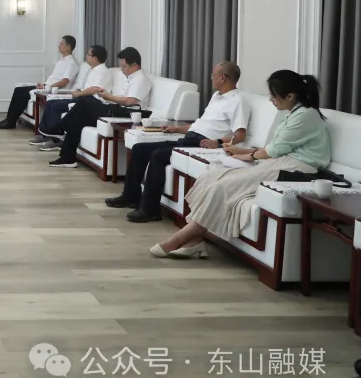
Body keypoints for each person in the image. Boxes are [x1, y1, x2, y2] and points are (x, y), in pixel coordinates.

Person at [152, 70, 331, 260]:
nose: (270, 100)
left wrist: (249, 154)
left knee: (224, 186)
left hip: (296, 169)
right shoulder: (293, 114)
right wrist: (242, 152)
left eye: (273, 95)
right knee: (211, 177)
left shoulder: (305, 116)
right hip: (279, 162)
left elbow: (273, 150)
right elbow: (275, 149)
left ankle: (179, 239)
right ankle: (195, 241)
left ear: (290, 96)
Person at [106, 61, 249, 223]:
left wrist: (217, 142)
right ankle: (130, 197)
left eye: (213, 75)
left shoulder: (238, 101)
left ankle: (150, 210)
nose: (211, 78)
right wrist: (176, 129)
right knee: (139, 148)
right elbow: (200, 125)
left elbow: (240, 135)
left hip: (203, 144)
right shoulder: (217, 96)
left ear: (222, 77)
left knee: (158, 155)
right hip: (189, 139)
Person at [47, 46, 152, 168]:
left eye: (124, 66)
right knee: (78, 119)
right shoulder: (132, 78)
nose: (121, 69)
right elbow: (124, 97)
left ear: (134, 65)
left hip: (126, 114)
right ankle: (67, 158)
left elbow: (130, 101)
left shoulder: (140, 79)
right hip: (116, 109)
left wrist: (109, 97)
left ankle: (59, 127)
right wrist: (107, 96)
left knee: (86, 101)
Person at [31, 45, 112, 148]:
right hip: (84, 98)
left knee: (56, 106)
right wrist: (79, 92)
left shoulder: (102, 71)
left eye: (88, 54)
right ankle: (45, 134)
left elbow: (94, 89)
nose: (86, 56)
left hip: (92, 103)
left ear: (95, 58)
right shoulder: (93, 70)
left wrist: (79, 93)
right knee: (50, 103)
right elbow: (89, 88)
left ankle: (57, 138)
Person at [0, 36, 80, 130]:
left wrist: (48, 86)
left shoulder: (72, 63)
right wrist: (44, 84)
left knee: (23, 92)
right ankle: (9, 119)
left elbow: (65, 81)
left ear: (68, 47)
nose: (59, 45)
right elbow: (54, 78)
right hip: (46, 86)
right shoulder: (62, 61)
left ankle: (10, 121)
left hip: (53, 90)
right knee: (18, 90)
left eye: (61, 44)